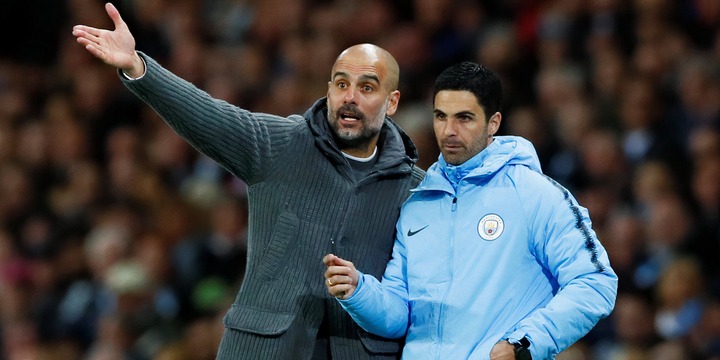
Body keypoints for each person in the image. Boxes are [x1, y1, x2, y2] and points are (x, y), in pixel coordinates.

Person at [72, 3, 425, 359]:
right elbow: (207, 115)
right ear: (329, 89)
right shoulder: (283, 143)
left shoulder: (416, 188)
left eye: (367, 88)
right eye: (342, 84)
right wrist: (138, 67)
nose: (350, 97)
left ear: (392, 101)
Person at [323, 62, 618, 359]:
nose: (449, 131)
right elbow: (401, 315)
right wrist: (359, 290)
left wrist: (524, 344)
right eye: (440, 117)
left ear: (494, 122)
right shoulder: (418, 205)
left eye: (464, 118)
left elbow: (595, 283)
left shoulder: (536, 195)